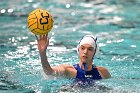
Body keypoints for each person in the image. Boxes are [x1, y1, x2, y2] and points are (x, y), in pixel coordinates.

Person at [35, 34, 111, 81]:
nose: (85, 52)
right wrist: (42, 53)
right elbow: (49, 72)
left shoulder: (103, 72)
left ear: (95, 52)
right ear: (78, 50)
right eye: (82, 48)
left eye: (90, 49)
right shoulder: (69, 70)